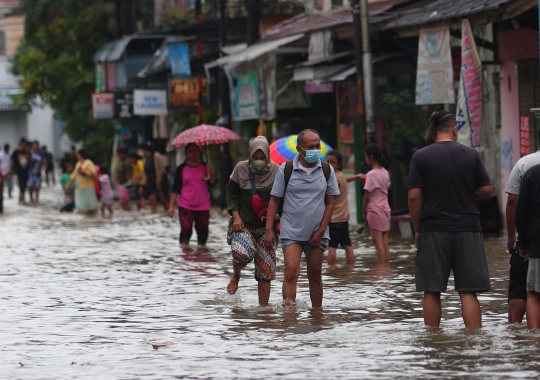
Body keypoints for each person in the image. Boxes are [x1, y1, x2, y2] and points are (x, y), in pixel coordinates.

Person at [407, 111, 493, 328]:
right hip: (468, 228)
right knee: (468, 290)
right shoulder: (471, 154)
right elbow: (486, 189)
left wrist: (417, 229)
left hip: (434, 228)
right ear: (454, 130)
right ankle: (473, 342)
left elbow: (414, 196)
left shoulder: (420, 156)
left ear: (433, 132)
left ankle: (433, 341)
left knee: (432, 290)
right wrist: (466, 194)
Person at [264, 129, 340, 308]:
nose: (315, 149)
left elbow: (330, 203)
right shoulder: (286, 169)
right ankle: (290, 316)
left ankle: (317, 315)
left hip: (317, 232)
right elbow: (274, 200)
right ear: (299, 149)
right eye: (310, 146)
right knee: (290, 273)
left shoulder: (327, 170)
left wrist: (321, 230)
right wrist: (268, 230)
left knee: (315, 274)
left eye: (317, 146)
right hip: (291, 231)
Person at [226, 136, 280, 305]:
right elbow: (231, 194)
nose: (258, 161)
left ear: (268, 157)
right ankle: (236, 274)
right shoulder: (240, 169)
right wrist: (236, 216)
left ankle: (263, 313)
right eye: (255, 158)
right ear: (250, 156)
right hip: (244, 225)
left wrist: (277, 225)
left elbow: (283, 199)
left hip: (267, 228)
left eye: (262, 158)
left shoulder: (277, 171)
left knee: (265, 272)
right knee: (241, 254)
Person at [504, 137, 540, 323]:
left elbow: (513, 202)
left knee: (524, 289)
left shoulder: (525, 164)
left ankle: (519, 332)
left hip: (533, 239)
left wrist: (514, 237)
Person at [168, 143, 216, 247]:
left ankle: (201, 258)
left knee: (203, 235)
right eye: (191, 151)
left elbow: (212, 183)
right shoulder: (181, 169)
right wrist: (171, 206)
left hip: (203, 205)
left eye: (195, 151)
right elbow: (176, 188)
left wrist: (210, 171)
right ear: (186, 153)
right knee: (185, 232)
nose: (193, 153)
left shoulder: (205, 166)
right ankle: (186, 257)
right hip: (186, 205)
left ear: (199, 152)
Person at [325, 150, 364, 267]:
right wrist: (356, 177)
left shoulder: (334, 179)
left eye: (333, 162)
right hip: (344, 218)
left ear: (339, 164)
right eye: (328, 162)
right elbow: (344, 180)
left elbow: (332, 193)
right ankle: (350, 268)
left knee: (332, 246)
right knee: (347, 245)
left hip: (334, 218)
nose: (330, 164)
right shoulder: (340, 176)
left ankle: (331, 269)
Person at [515, 163, 540, 329]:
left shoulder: (532, 173)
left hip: (538, 242)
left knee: (534, 293)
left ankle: (534, 341)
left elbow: (522, 212)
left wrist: (522, 244)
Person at [362, 143, 391, 265]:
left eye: (366, 157)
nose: (365, 160)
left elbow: (367, 196)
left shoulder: (371, 174)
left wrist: (364, 211)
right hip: (385, 209)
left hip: (374, 210)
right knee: (384, 242)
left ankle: (382, 268)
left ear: (371, 157)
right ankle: (386, 268)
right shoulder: (385, 172)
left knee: (377, 243)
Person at [64, 148, 98, 214]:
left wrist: (84, 172)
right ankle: (86, 219)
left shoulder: (88, 162)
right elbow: (74, 175)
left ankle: (92, 219)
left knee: (91, 205)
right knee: (81, 206)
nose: (77, 156)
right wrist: (68, 185)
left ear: (81, 155)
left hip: (88, 187)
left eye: (78, 154)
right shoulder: (78, 163)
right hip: (79, 188)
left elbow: (94, 173)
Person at [139, 143, 165, 213]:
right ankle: (151, 212)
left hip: (157, 180)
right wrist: (143, 184)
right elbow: (144, 173)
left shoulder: (156, 156)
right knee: (148, 198)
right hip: (149, 182)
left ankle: (162, 211)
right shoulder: (145, 160)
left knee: (162, 199)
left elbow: (160, 169)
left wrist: (159, 181)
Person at [11, 139, 31, 204]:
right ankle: (23, 200)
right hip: (18, 172)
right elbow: (12, 163)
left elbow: (30, 161)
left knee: (24, 187)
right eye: (23, 144)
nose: (24, 145)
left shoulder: (27, 152)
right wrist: (10, 172)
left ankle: (20, 200)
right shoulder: (16, 152)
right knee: (21, 186)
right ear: (20, 144)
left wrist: (27, 152)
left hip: (26, 172)